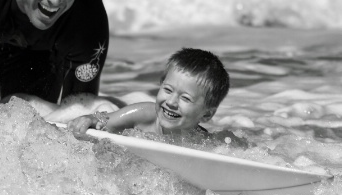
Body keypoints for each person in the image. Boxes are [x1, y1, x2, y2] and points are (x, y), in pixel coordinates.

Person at [67, 48, 230, 135]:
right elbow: (102, 120)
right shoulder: (145, 115)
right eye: (167, 90)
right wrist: (87, 119)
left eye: (185, 98)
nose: (171, 102)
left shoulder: (203, 142)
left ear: (207, 115)